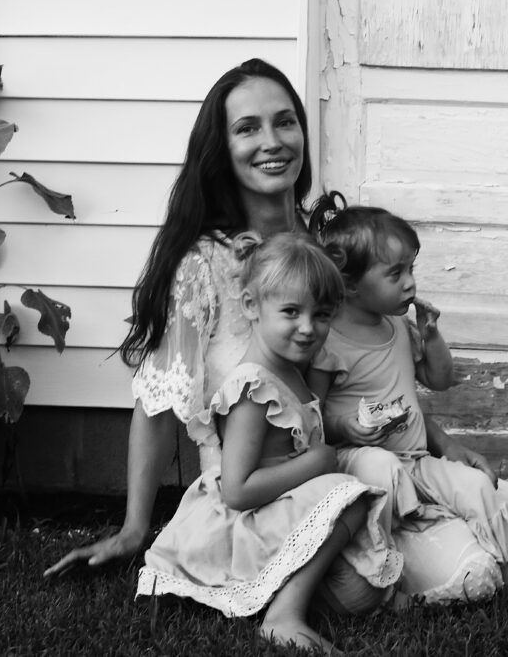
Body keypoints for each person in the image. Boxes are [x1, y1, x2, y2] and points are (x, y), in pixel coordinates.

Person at [43, 57, 508, 607]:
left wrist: (444, 442)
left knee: (480, 566)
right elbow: (156, 403)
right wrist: (133, 527)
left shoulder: (327, 247)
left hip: (359, 467)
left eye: (285, 122)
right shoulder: (204, 266)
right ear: (222, 148)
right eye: (248, 128)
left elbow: (371, 374)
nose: (272, 141)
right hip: (265, 497)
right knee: (381, 586)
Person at [308, 194, 508, 612]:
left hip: (415, 460)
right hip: (360, 463)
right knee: (381, 470)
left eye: (410, 269)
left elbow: (439, 379)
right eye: (395, 273)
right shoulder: (328, 342)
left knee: (476, 486)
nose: (410, 283)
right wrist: (348, 426)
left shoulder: (398, 327)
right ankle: (382, 583)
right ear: (349, 285)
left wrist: (431, 337)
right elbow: (314, 416)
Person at [136, 233, 401, 652]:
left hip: (282, 511)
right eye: (291, 312)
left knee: (359, 564)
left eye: (322, 315)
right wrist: (318, 463)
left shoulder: (293, 372)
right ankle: (284, 616)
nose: (308, 328)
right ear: (250, 307)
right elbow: (237, 491)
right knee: (349, 494)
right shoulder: (251, 389)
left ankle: (311, 595)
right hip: (247, 523)